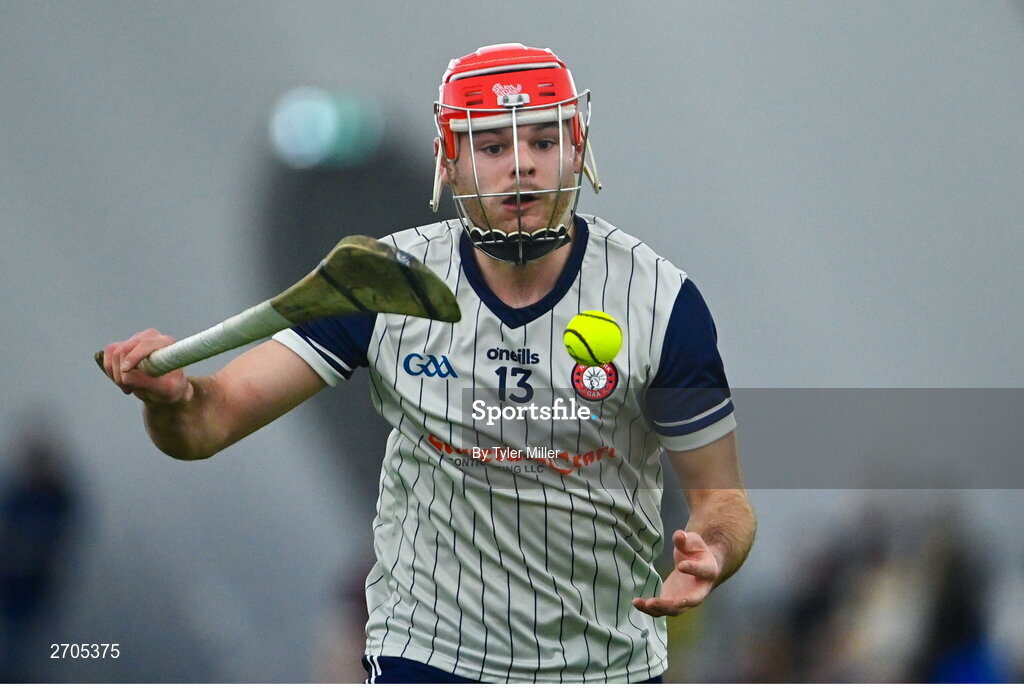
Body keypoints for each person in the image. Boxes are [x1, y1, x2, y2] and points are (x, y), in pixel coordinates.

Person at [102, 43, 756, 683]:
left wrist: (714, 549)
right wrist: (176, 401)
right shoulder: (378, 284)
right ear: (449, 161)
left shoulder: (658, 302)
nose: (521, 166)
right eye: (492, 146)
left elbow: (721, 498)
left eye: (543, 142)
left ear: (578, 152)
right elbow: (211, 423)